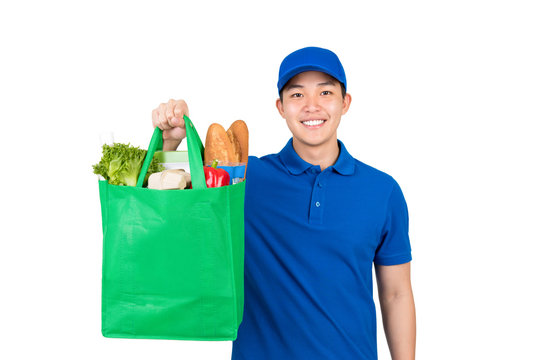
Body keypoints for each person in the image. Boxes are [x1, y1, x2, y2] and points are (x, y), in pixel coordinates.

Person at [152, 47, 416, 360]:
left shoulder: (382, 191)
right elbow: (166, 208)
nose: (311, 106)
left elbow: (396, 294)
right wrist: (170, 141)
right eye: (297, 95)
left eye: (326, 92)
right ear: (281, 107)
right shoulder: (243, 181)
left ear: (345, 103)